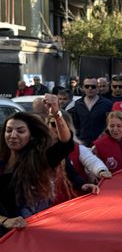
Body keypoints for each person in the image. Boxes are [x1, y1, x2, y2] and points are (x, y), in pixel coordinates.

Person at [0, 94, 73, 233]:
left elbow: (66, 145)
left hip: (28, 235)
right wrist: (5, 221)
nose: (13, 135)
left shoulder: (39, 160)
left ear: (31, 135)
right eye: (9, 130)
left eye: (20, 131)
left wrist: (56, 114)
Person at [69, 77, 113, 146]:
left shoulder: (108, 104)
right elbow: (74, 124)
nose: (90, 88)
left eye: (93, 86)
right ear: (83, 88)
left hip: (101, 144)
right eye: (87, 86)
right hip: (81, 143)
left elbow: (110, 124)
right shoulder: (77, 103)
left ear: (97, 87)